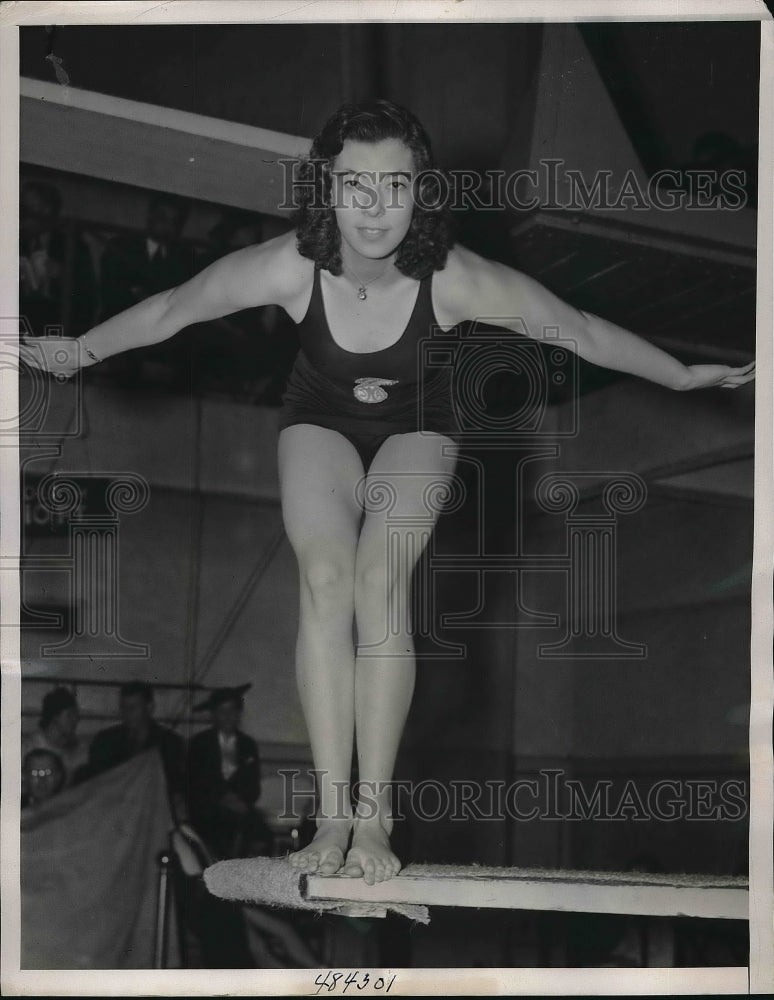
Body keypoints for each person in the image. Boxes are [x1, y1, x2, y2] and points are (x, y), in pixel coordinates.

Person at [21, 100, 756, 887]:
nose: (375, 210)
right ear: (327, 189)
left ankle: (374, 819)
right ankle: (332, 815)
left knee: (380, 579)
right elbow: (174, 308)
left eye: (395, 187)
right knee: (327, 577)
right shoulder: (286, 264)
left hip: (421, 422)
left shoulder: (457, 278)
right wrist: (82, 348)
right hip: (318, 421)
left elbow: (573, 325)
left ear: (422, 190)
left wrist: (680, 374)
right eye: (356, 187)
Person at [187, 684, 273, 859]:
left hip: (240, 808)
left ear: (239, 713)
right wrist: (222, 798)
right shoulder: (199, 743)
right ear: (213, 715)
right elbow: (194, 782)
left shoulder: (248, 744)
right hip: (208, 810)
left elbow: (253, 785)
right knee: (220, 838)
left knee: (263, 836)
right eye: (222, 711)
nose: (228, 716)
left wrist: (241, 801)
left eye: (232, 710)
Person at [87, 681, 189, 824]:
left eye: (133, 708)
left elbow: (175, 784)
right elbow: (97, 780)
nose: (127, 714)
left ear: (150, 708)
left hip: (155, 814)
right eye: (123, 707)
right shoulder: (105, 741)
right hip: (113, 812)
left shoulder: (170, 743)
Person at [19, 179, 97, 337]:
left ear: (47, 212)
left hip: (54, 330)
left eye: (25, 210)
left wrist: (62, 275)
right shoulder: (13, 238)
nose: (19, 216)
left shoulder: (73, 247)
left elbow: (89, 296)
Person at [22, 686, 89, 788]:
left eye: (76, 716)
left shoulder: (80, 749)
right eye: (69, 715)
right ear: (54, 717)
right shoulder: (28, 748)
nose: (75, 720)